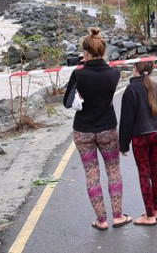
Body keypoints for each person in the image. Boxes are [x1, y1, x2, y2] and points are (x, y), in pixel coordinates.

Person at [63, 27, 131, 230]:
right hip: (107, 129)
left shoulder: (78, 74)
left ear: (85, 52)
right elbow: (104, 70)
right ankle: (118, 216)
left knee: (92, 174)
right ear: (103, 51)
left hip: (83, 130)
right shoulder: (114, 74)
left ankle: (101, 220)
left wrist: (82, 70)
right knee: (113, 171)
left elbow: (67, 102)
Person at [119, 61, 157, 226]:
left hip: (141, 136)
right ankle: (156, 210)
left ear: (135, 70)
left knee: (144, 174)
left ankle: (149, 216)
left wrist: (123, 145)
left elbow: (127, 120)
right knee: (156, 172)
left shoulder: (131, 90)